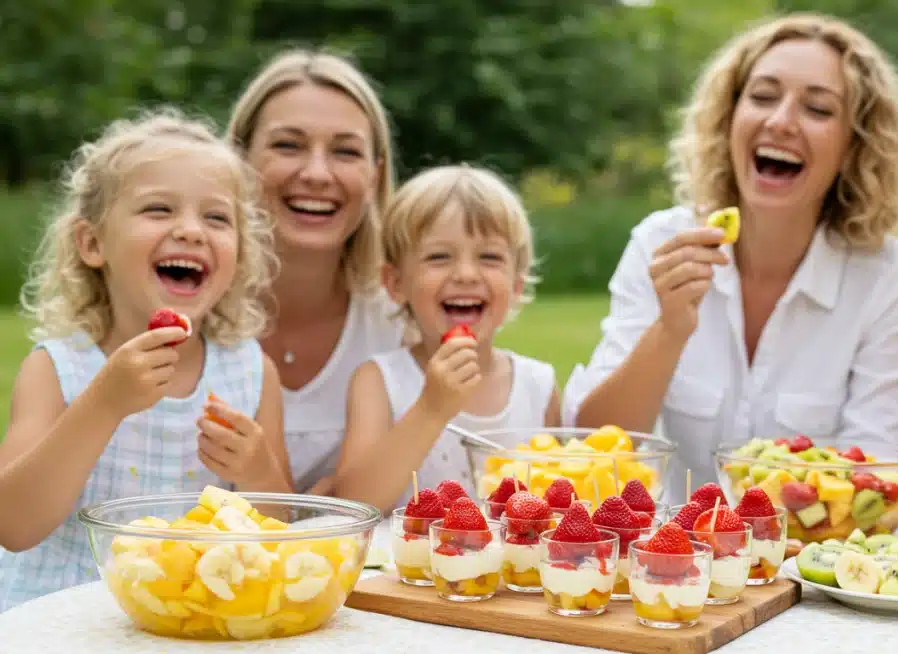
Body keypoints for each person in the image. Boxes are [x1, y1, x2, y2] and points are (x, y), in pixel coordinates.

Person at [562, 13, 898, 502]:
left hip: (811, 568)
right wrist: (669, 331)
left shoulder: (888, 280)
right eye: (761, 97)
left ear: (854, 147)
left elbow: (882, 477)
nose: (780, 121)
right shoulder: (660, 243)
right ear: (728, 118)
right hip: (676, 564)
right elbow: (595, 445)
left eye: (818, 109)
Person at [0, 108, 289, 611]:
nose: (192, 231)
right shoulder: (58, 369)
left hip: (193, 619)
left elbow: (278, 531)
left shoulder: (249, 372)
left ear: (239, 255)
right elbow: (14, 525)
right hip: (64, 620)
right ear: (92, 244)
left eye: (216, 217)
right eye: (159, 209)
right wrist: (104, 404)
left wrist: (258, 471)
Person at [226, 49, 403, 494]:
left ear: (375, 177)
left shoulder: (404, 325)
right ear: (237, 161)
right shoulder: (183, 314)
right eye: (288, 145)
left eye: (345, 151)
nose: (317, 173)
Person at [332, 164, 557, 510]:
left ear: (516, 285)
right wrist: (431, 408)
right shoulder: (379, 381)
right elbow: (353, 504)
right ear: (395, 284)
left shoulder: (538, 386)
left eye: (489, 257)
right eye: (438, 257)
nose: (466, 274)